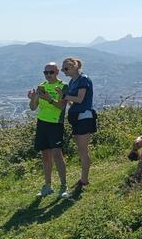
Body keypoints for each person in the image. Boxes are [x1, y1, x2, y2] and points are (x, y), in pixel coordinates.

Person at [29, 62, 68, 197]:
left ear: (57, 72)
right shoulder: (42, 86)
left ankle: (63, 186)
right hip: (42, 123)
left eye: (51, 72)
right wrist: (33, 98)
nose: (48, 75)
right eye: (46, 72)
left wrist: (49, 99)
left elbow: (62, 106)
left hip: (55, 124)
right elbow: (33, 107)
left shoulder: (63, 86)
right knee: (45, 156)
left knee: (57, 155)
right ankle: (47, 186)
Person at [60, 57, 95, 192]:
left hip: (84, 117)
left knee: (83, 150)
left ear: (74, 67)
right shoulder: (72, 81)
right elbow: (72, 101)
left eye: (66, 68)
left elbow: (80, 99)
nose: (64, 71)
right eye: (63, 69)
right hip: (77, 118)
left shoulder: (83, 79)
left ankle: (84, 180)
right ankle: (83, 178)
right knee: (81, 150)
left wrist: (64, 96)